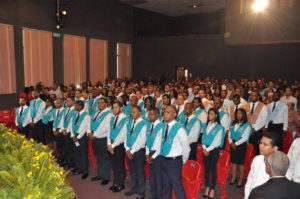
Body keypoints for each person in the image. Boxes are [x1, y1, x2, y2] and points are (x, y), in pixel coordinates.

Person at [160, 105, 190, 199]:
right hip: (164, 160)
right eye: (164, 111)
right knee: (166, 186)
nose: (165, 113)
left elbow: (186, 148)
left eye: (168, 112)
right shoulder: (164, 126)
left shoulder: (179, 129)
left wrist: (182, 161)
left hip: (174, 161)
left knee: (177, 187)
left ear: (174, 114)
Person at [244, 132, 280, 199]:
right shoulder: (257, 159)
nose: (260, 146)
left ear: (275, 148)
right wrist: (247, 196)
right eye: (260, 143)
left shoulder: (281, 166)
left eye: (265, 145)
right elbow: (250, 180)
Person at [88, 97, 113, 185]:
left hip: (102, 138)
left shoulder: (109, 114)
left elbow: (106, 128)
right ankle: (100, 174)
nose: (99, 105)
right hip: (95, 138)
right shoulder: (96, 112)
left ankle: (106, 177)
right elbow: (90, 123)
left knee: (105, 158)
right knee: (98, 157)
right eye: (98, 103)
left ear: (106, 104)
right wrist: (89, 132)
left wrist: (94, 134)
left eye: (101, 103)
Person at [124, 105, 147, 199]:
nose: (131, 113)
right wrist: (127, 149)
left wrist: (131, 151)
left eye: (134, 112)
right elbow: (126, 137)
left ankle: (141, 193)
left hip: (138, 152)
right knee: (132, 171)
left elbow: (141, 140)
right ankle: (133, 189)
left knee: (140, 173)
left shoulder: (144, 124)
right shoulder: (129, 123)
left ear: (139, 113)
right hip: (129, 150)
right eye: (131, 112)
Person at [202, 108, 225, 199]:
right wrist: (204, 148)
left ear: (216, 115)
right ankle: (207, 187)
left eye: (211, 114)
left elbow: (217, 142)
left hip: (213, 150)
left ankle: (212, 189)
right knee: (207, 169)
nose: (209, 115)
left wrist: (208, 149)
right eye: (209, 114)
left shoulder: (219, 127)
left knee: (212, 169)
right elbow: (204, 137)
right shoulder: (208, 124)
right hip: (206, 149)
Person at [107, 101, 128, 192]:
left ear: (121, 108)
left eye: (116, 107)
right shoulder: (112, 118)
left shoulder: (125, 119)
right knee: (114, 165)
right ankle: (115, 182)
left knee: (120, 165)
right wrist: (108, 144)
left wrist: (113, 145)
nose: (114, 109)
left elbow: (122, 135)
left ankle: (120, 184)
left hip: (119, 145)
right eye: (113, 107)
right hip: (111, 145)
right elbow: (109, 132)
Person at [229, 108, 252, 187]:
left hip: (241, 145)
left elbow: (245, 137)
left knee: (241, 163)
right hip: (232, 143)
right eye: (237, 113)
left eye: (240, 113)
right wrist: (231, 142)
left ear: (244, 115)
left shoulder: (247, 125)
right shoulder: (233, 123)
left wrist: (236, 143)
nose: (238, 115)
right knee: (234, 162)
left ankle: (240, 180)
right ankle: (233, 178)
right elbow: (230, 134)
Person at [146, 108, 164, 199]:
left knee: (158, 177)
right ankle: (153, 196)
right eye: (149, 114)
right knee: (152, 176)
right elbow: (147, 140)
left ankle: (159, 196)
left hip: (157, 155)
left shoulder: (161, 126)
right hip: (149, 152)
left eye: (152, 114)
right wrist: (146, 154)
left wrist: (153, 156)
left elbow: (160, 145)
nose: (150, 116)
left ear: (157, 115)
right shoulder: (149, 125)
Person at [70, 100, 90, 180]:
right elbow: (71, 125)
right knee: (76, 153)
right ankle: (79, 168)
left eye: (76, 106)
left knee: (83, 153)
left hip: (81, 138)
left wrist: (77, 137)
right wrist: (72, 135)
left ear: (80, 106)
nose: (74, 107)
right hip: (74, 137)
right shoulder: (74, 114)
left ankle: (85, 171)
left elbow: (84, 127)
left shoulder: (86, 115)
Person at [245, 91, 268, 155]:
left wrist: (255, 128)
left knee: (256, 148)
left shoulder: (263, 106)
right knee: (248, 147)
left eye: (254, 95)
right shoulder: (247, 105)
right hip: (247, 129)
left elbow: (264, 119)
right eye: (251, 95)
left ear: (258, 96)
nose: (252, 97)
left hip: (257, 130)